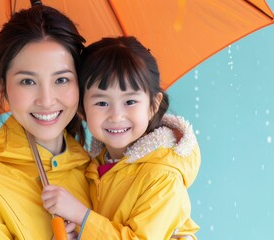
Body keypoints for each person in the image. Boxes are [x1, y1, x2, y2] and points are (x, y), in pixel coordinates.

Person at [41, 36, 201, 239]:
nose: (116, 116)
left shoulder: (162, 176)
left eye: (130, 101)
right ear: (82, 109)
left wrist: (82, 216)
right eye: (101, 103)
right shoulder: (92, 168)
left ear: (153, 105)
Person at [0, 4, 92, 239]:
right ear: (3, 89)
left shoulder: (99, 169)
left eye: (62, 79)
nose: (46, 100)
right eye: (27, 82)